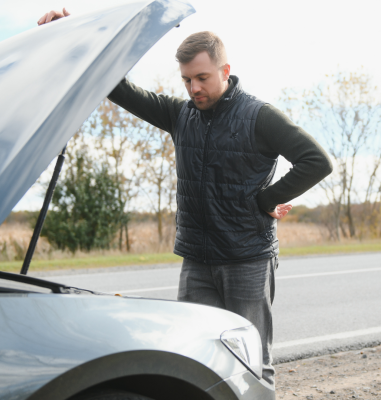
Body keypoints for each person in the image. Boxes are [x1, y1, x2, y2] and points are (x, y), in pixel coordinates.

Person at [38, 9, 333, 388]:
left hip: (247, 259)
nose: (194, 88)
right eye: (187, 80)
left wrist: (265, 199)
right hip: (197, 261)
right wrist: (78, 35)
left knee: (252, 364)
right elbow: (119, 87)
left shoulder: (260, 116)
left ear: (226, 71)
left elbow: (317, 161)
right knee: (196, 362)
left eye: (202, 78)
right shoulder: (180, 116)